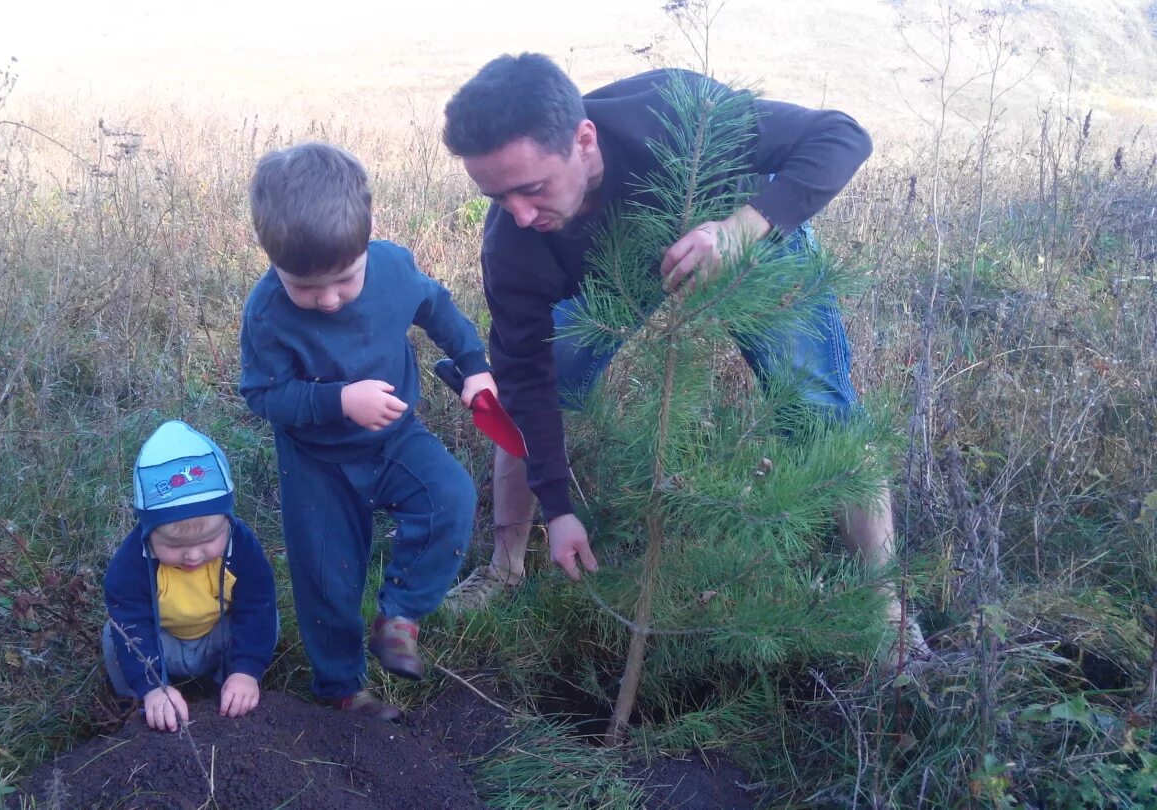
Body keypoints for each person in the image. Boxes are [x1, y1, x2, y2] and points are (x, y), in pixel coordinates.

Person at [440, 52, 926, 658]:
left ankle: (885, 612)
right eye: (497, 194)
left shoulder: (675, 115)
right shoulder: (515, 242)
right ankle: (504, 569)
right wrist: (559, 508)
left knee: (818, 408)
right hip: (608, 284)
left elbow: (841, 135)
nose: (519, 213)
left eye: (533, 187)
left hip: (743, 238)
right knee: (534, 395)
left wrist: (741, 227)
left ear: (583, 139)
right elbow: (528, 383)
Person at [239, 142, 497, 721]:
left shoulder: (392, 269)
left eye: (343, 281)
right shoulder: (266, 314)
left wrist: (474, 363)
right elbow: (262, 394)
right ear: (271, 257)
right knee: (326, 577)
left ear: (366, 240)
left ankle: (399, 616)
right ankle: (341, 691)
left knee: (450, 497)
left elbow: (436, 307)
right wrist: (338, 401)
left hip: (393, 439)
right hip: (316, 463)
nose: (327, 300)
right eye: (305, 287)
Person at [103, 420, 279, 732]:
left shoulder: (242, 547)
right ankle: (142, 702)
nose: (193, 555)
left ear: (228, 523)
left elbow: (256, 606)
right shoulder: (131, 564)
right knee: (113, 636)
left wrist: (247, 670)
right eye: (174, 545)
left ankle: (231, 686)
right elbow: (133, 623)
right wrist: (153, 685)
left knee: (269, 619)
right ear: (148, 534)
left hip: (217, 637)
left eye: (209, 540)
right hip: (163, 643)